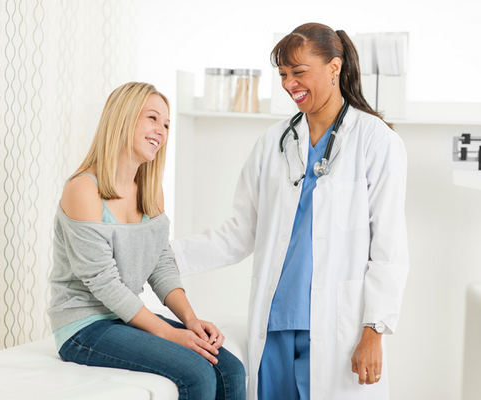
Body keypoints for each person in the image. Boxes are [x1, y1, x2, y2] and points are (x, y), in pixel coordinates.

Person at [170, 22, 409, 400]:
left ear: (334, 67)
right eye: (283, 74)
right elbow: (238, 233)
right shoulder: (272, 143)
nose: (289, 84)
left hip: (338, 327)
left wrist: (374, 330)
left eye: (299, 72)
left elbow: (389, 250)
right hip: (276, 324)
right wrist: (163, 256)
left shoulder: (377, 141)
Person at [47, 82, 246, 400]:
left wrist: (191, 321)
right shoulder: (83, 189)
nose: (161, 131)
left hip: (121, 319)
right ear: (123, 119)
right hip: (84, 326)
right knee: (195, 374)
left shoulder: (151, 191)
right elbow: (104, 283)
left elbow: (161, 264)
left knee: (230, 369)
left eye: (166, 124)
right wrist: (168, 333)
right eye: (152, 118)